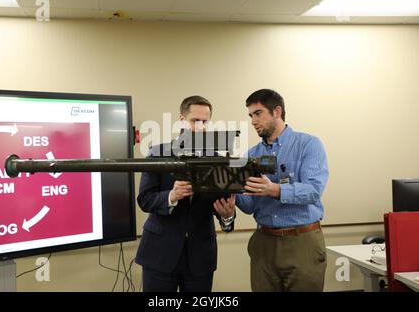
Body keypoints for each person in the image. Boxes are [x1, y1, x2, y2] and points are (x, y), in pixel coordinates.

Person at [135, 95, 236, 292]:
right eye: (194, 121)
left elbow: (223, 207)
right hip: (159, 255)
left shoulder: (218, 161)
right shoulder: (157, 153)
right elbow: (144, 200)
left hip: (200, 257)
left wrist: (227, 216)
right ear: (181, 120)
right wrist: (171, 196)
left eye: (204, 121)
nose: (199, 127)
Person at [235, 88, 329, 292]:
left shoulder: (308, 144)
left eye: (258, 113)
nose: (253, 121)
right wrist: (230, 192)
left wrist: (275, 189)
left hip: (302, 242)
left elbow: (313, 190)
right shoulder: (251, 154)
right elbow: (250, 206)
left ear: (277, 112)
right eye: (251, 115)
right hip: (264, 244)